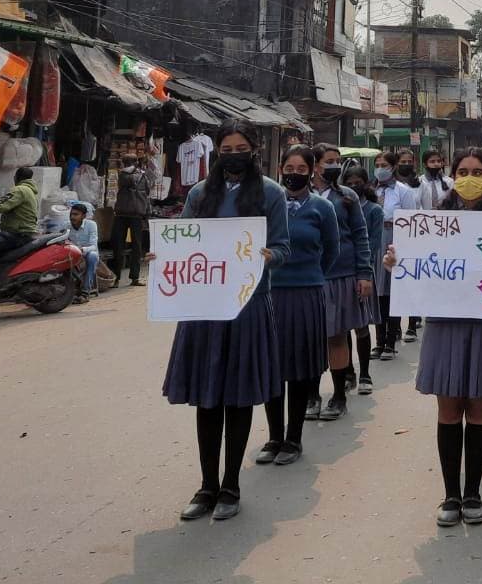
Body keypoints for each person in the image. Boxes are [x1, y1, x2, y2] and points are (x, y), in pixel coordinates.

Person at [382, 147, 482, 527]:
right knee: (449, 409)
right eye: (463, 170)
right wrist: (395, 260)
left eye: (477, 171)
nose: (469, 176)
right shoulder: (432, 220)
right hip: (445, 325)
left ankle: (474, 493)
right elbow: (415, 266)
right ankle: (450, 494)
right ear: (453, 175)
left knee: (481, 410)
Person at [160, 121, 289, 523]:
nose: (233, 153)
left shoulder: (271, 193)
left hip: (247, 306)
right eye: (226, 147)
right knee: (207, 397)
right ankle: (206, 485)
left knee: (237, 397)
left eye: (240, 147)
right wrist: (163, 256)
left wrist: (268, 256)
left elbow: (284, 246)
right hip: (204, 308)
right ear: (218, 152)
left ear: (252, 150)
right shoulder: (200, 193)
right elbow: (182, 239)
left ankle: (231, 485)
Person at [256, 145, 338, 468]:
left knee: (300, 370)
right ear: (279, 168)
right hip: (270, 293)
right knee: (272, 367)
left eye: (301, 169)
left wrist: (312, 276)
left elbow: (331, 251)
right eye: (288, 168)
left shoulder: (322, 208)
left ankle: (294, 438)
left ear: (312, 170)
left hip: (306, 295)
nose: (294, 174)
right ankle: (274, 436)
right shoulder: (266, 204)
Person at [309, 143, 373, 421]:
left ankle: (338, 395)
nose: (333, 165)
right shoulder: (295, 195)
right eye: (328, 161)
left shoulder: (347, 197)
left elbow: (361, 236)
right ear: (315, 165)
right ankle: (311, 395)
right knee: (310, 341)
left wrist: (365, 275)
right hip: (307, 277)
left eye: (337, 161)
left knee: (336, 337)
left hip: (340, 275)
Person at [375, 150, 418, 359]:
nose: (380, 169)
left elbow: (411, 222)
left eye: (384, 165)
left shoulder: (404, 191)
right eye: (377, 164)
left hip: (395, 240)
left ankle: (390, 342)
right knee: (377, 294)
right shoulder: (370, 190)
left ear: (393, 167)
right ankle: (379, 341)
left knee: (392, 294)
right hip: (375, 239)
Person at [349, 165, 384, 396]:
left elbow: (372, 243)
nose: (353, 186)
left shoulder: (373, 210)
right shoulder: (340, 206)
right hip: (340, 271)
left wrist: (364, 271)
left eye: (357, 182)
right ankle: (347, 373)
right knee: (341, 329)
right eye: (349, 183)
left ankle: (364, 374)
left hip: (362, 271)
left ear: (365, 183)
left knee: (361, 325)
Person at [111, 155, 151, 287]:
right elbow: (128, 181)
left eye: (128, 162)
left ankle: (134, 277)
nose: (126, 164)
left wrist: (147, 212)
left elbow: (147, 193)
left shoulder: (140, 175)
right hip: (123, 214)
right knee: (119, 246)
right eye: (125, 162)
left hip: (136, 214)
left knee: (136, 247)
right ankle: (116, 278)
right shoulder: (124, 175)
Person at [65, 199, 100, 301]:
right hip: (73, 255)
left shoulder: (91, 225)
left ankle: (85, 292)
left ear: (84, 216)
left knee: (92, 256)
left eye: (76, 215)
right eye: (71, 214)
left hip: (87, 253)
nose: (72, 217)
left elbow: (93, 245)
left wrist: (81, 249)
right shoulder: (67, 226)